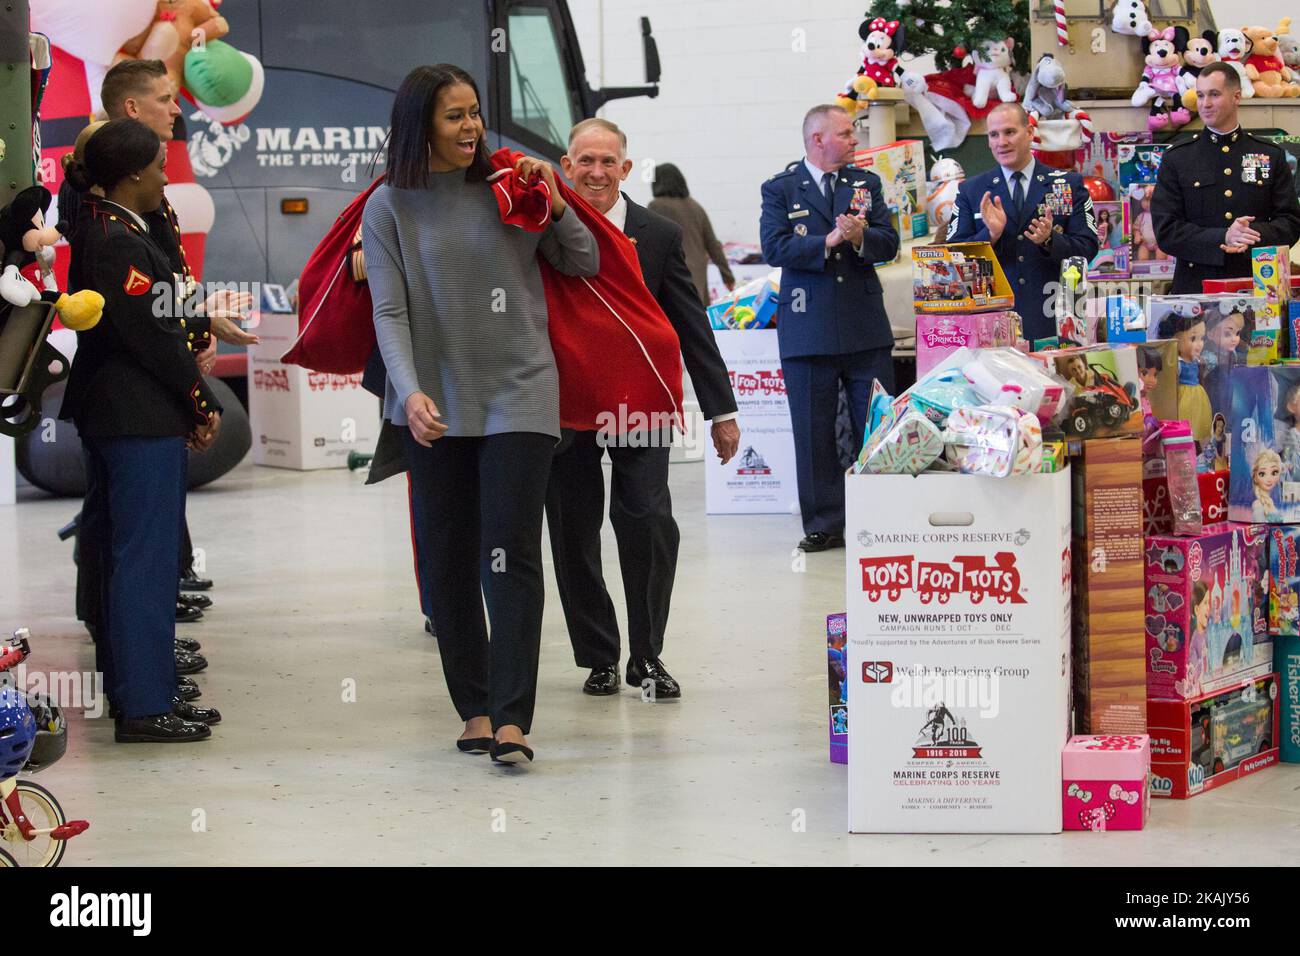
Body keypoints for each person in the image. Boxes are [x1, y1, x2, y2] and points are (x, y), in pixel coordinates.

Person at [362, 64, 599, 764]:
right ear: (420, 127)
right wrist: (408, 391)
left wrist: (555, 203)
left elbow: (581, 261)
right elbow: (389, 309)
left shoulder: (513, 187)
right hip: (433, 405)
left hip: (520, 393)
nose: (472, 128)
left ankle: (513, 718)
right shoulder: (390, 206)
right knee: (448, 559)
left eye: (474, 113)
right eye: (455, 117)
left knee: (511, 552)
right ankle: (473, 705)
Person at [548, 118, 740, 700]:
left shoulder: (656, 234)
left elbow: (689, 319)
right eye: (586, 161)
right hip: (566, 401)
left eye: (608, 162)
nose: (597, 172)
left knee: (650, 520)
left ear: (625, 169)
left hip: (642, 400)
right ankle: (598, 656)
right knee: (572, 527)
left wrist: (720, 409)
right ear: (567, 165)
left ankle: (647, 653)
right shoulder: (544, 226)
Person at [59, 119, 223, 742]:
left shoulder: (118, 227)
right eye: (158, 165)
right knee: (144, 562)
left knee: (129, 556)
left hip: (127, 414)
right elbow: (156, 337)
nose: (164, 175)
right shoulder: (115, 240)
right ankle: (145, 705)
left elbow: (167, 314)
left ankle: (142, 687)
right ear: (131, 174)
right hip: (136, 416)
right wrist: (200, 402)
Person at [759, 104, 898, 553]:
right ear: (817, 139)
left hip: (863, 326)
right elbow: (774, 246)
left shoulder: (867, 185)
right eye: (845, 133)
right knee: (813, 430)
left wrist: (860, 237)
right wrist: (828, 241)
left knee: (877, 425)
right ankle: (824, 523)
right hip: (808, 326)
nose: (855, 140)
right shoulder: (780, 189)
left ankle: (881, 516)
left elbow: (889, 244)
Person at [947, 102, 1099, 343]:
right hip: (992, 326)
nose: (1001, 142)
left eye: (1009, 132)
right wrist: (989, 236)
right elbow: (951, 261)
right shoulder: (970, 191)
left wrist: (1050, 241)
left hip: (1053, 320)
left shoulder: (1068, 184)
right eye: (994, 135)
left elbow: (1088, 248)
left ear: (1029, 133)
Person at [1152, 62, 1300, 294]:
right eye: (1200, 95)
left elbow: (1290, 223)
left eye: (1214, 94)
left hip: (1259, 286)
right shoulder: (1178, 158)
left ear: (1236, 97)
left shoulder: (1270, 154)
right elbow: (1166, 230)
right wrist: (1223, 237)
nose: (1205, 103)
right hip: (1197, 290)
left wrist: (1248, 237)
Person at [647, 162, 735, 305]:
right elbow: (713, 244)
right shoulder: (695, 206)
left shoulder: (656, 206)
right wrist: (727, 277)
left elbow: (649, 241)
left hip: (671, 272)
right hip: (697, 273)